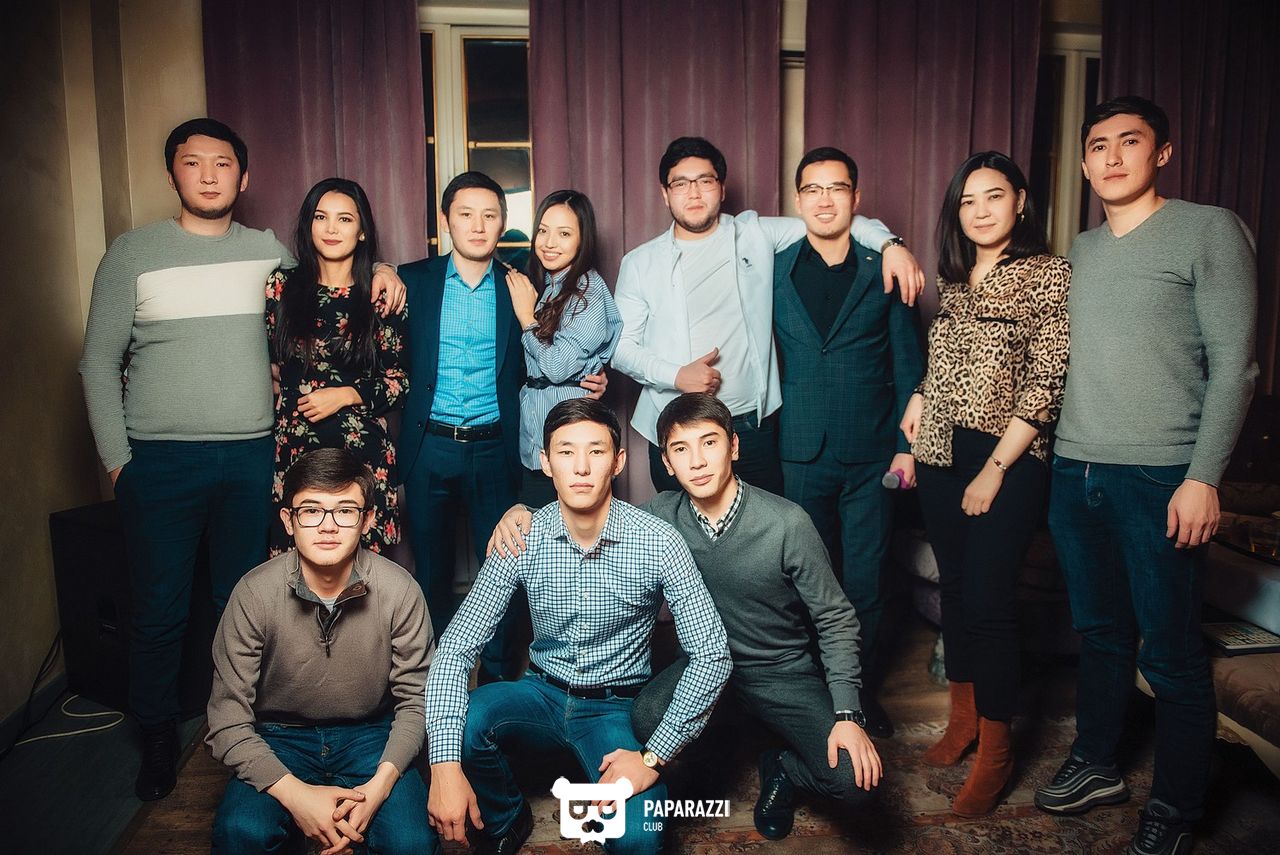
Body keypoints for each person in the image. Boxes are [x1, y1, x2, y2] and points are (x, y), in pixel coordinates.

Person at [77, 118, 404, 801]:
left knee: (244, 600)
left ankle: (243, 728)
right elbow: (98, 362)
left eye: (222, 163)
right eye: (192, 162)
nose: (207, 175)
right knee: (159, 608)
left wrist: (385, 269)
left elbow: (337, 271)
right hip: (159, 460)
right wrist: (117, 463)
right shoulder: (133, 253)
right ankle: (158, 733)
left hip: (252, 455)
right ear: (173, 172)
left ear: (243, 176)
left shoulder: (267, 256)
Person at [489, 392, 883, 842]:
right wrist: (522, 513)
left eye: (709, 443)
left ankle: (783, 768)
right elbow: (588, 509)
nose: (697, 461)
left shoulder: (787, 523)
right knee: (645, 718)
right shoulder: (660, 518)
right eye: (680, 449)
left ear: (734, 447)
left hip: (779, 672)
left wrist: (848, 713)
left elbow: (835, 618)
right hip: (700, 666)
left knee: (856, 780)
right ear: (667, 463)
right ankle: (707, 755)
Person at [1031, 96, 1257, 855]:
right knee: (1100, 634)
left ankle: (1177, 807)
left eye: (1130, 141)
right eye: (1098, 145)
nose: (1112, 156)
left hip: (1162, 475)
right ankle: (1098, 762)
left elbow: (1236, 366)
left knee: (1169, 651)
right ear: (1084, 162)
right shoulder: (1083, 249)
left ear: (1162, 153)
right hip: (1075, 469)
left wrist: (1204, 476)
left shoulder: (1208, 229)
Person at [425, 398, 731, 855]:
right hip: (539, 693)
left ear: (618, 461)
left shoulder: (658, 542)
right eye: (566, 452)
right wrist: (444, 767)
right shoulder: (522, 536)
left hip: (615, 708)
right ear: (546, 462)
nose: (582, 467)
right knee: (463, 726)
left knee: (638, 840)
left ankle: (598, 784)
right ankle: (508, 818)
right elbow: (456, 648)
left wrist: (653, 757)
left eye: (596, 451)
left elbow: (712, 654)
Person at [899, 151, 1070, 816]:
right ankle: (963, 723)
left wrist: (995, 469)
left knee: (992, 603)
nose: (979, 211)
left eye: (993, 196)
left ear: (1020, 201)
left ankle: (997, 755)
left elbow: (1046, 382)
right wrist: (919, 394)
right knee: (959, 592)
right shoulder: (956, 278)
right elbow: (946, 362)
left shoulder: (1049, 274)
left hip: (1010, 456)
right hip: (940, 450)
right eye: (967, 201)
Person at [612, 136, 926, 495]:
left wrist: (891, 245)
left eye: (705, 181)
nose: (694, 193)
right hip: (676, 428)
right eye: (681, 184)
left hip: (752, 429)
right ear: (665, 194)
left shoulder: (755, 233)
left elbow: (830, 219)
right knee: (681, 527)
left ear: (722, 189)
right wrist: (676, 375)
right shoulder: (640, 263)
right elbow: (620, 348)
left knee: (764, 527)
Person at [397, 172, 606, 681]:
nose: (477, 225)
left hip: (496, 448)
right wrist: (380, 268)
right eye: (465, 214)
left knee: (506, 570)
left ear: (503, 223)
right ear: (445, 221)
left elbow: (554, 351)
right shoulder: (410, 281)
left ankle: (494, 682)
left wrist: (591, 376)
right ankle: (435, 679)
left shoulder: (522, 289)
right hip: (429, 445)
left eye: (490, 215)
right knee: (430, 572)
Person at [207, 448, 435, 855]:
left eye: (345, 511)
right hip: (278, 736)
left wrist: (378, 788)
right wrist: (298, 799)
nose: (327, 526)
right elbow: (227, 721)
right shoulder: (253, 593)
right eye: (311, 510)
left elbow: (416, 703)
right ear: (288, 520)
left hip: (371, 734)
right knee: (241, 833)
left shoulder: (400, 590)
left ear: (367, 520)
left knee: (411, 842)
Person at [773, 147, 925, 737]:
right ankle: (815, 698)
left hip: (871, 453)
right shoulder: (774, 269)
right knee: (806, 580)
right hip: (799, 449)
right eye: (812, 189)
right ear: (798, 199)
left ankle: (858, 694)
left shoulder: (883, 267)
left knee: (866, 578)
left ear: (856, 199)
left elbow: (908, 363)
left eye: (837, 188)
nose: (825, 199)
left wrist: (906, 446)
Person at [266, 178, 408, 556]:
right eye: (321, 217)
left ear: (362, 231)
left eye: (345, 219)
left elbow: (401, 382)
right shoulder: (281, 289)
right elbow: (271, 364)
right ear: (308, 225)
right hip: (297, 450)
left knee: (364, 573)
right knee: (297, 569)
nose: (331, 228)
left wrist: (346, 394)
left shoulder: (379, 294)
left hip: (362, 454)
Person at [503, 189, 622, 509]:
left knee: (572, 529)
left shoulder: (588, 291)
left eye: (564, 233)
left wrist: (527, 319)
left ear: (583, 240)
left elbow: (556, 367)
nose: (549, 242)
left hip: (571, 442)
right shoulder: (551, 285)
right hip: (540, 439)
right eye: (543, 231)